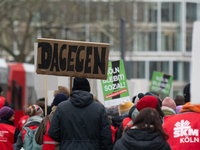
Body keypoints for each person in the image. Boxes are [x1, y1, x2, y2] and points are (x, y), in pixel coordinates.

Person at [48, 77, 113, 150]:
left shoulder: (61, 107)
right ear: (88, 89)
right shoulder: (100, 108)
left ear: (73, 89)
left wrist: (66, 140)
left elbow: (52, 133)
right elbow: (107, 136)